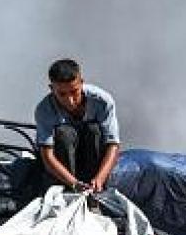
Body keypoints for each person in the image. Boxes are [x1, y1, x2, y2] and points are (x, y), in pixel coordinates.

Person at [34, 58, 121, 193]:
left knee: (94, 130)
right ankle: (68, 190)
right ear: (52, 89)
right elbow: (48, 157)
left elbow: (113, 144)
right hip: (64, 168)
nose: (70, 101)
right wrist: (73, 183)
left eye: (74, 92)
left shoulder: (103, 101)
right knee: (64, 134)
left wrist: (100, 178)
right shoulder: (44, 110)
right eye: (62, 94)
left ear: (81, 83)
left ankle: (95, 188)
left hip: (94, 163)